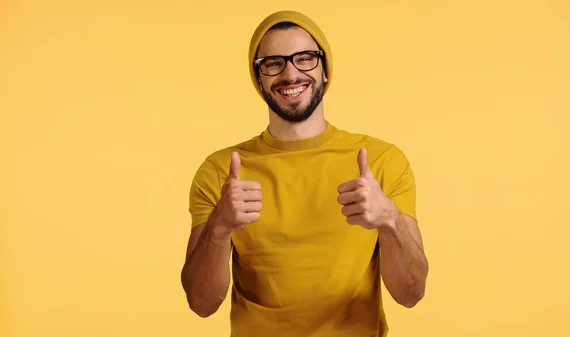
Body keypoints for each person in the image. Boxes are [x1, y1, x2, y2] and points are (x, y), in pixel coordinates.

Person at [181, 10, 429, 337]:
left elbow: (411, 294)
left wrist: (389, 219)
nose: (291, 73)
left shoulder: (381, 161)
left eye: (305, 58)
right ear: (258, 79)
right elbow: (202, 303)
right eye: (273, 63)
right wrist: (219, 226)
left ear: (325, 70)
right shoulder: (221, 171)